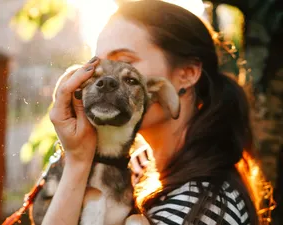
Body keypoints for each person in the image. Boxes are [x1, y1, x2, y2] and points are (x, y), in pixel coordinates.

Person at [43, 0, 266, 224]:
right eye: (96, 67)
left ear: (187, 74)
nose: (106, 78)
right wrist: (77, 158)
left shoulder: (204, 207)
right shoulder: (138, 165)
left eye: (125, 62)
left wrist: (78, 161)